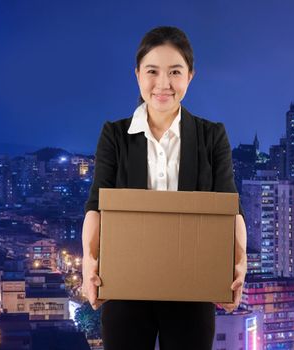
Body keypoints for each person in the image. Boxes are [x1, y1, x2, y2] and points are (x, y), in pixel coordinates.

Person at [81, 26, 247, 349]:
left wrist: (240, 263)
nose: (163, 84)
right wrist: (89, 260)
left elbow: (231, 209)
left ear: (190, 76)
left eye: (175, 72)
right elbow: (96, 205)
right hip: (125, 288)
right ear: (137, 75)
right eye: (152, 71)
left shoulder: (211, 136)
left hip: (193, 288)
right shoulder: (115, 135)